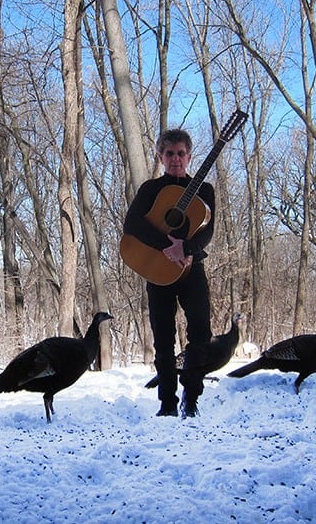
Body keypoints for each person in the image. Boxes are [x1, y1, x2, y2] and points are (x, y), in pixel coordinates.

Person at [123, 128, 215, 417]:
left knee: (201, 332)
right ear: (160, 156)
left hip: (191, 270)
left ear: (189, 157)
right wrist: (168, 246)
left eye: (181, 153)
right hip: (158, 270)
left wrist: (186, 249)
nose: (175, 159)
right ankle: (167, 404)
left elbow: (207, 230)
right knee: (163, 339)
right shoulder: (151, 189)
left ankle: (192, 393)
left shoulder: (204, 190)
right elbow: (133, 226)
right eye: (169, 153)